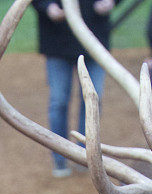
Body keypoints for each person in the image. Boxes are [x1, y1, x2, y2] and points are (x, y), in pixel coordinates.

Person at [32, 0, 115, 176]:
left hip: (94, 38)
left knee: (93, 98)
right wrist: (48, 6)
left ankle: (86, 155)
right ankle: (60, 157)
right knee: (59, 101)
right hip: (56, 40)